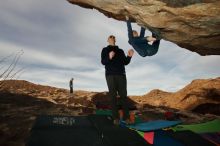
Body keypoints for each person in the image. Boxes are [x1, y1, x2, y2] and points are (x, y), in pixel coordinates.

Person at [101, 35, 134, 125]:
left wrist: (129, 56)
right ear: (108, 40)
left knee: (124, 96)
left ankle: (126, 118)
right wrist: (109, 57)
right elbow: (103, 62)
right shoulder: (105, 50)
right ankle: (115, 118)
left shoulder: (120, 51)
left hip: (121, 75)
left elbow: (125, 62)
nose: (112, 38)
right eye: (110, 37)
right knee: (112, 97)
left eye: (113, 37)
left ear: (115, 40)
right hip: (110, 75)